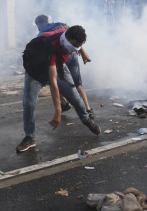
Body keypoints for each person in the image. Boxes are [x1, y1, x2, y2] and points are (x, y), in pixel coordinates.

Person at [17, 25, 100, 153]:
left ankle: (86, 119)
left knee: (74, 96)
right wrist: (58, 111)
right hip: (35, 73)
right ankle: (29, 137)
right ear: (66, 38)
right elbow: (53, 84)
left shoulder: (66, 34)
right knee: (28, 104)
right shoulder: (50, 48)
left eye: (77, 47)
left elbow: (77, 44)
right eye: (73, 46)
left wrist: (83, 53)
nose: (74, 50)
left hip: (58, 67)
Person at [34, 15, 94, 118]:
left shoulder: (42, 34)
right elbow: (76, 36)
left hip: (61, 59)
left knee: (55, 82)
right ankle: (88, 109)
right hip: (74, 55)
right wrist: (83, 53)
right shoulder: (61, 25)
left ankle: (65, 103)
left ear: (38, 26)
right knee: (78, 85)